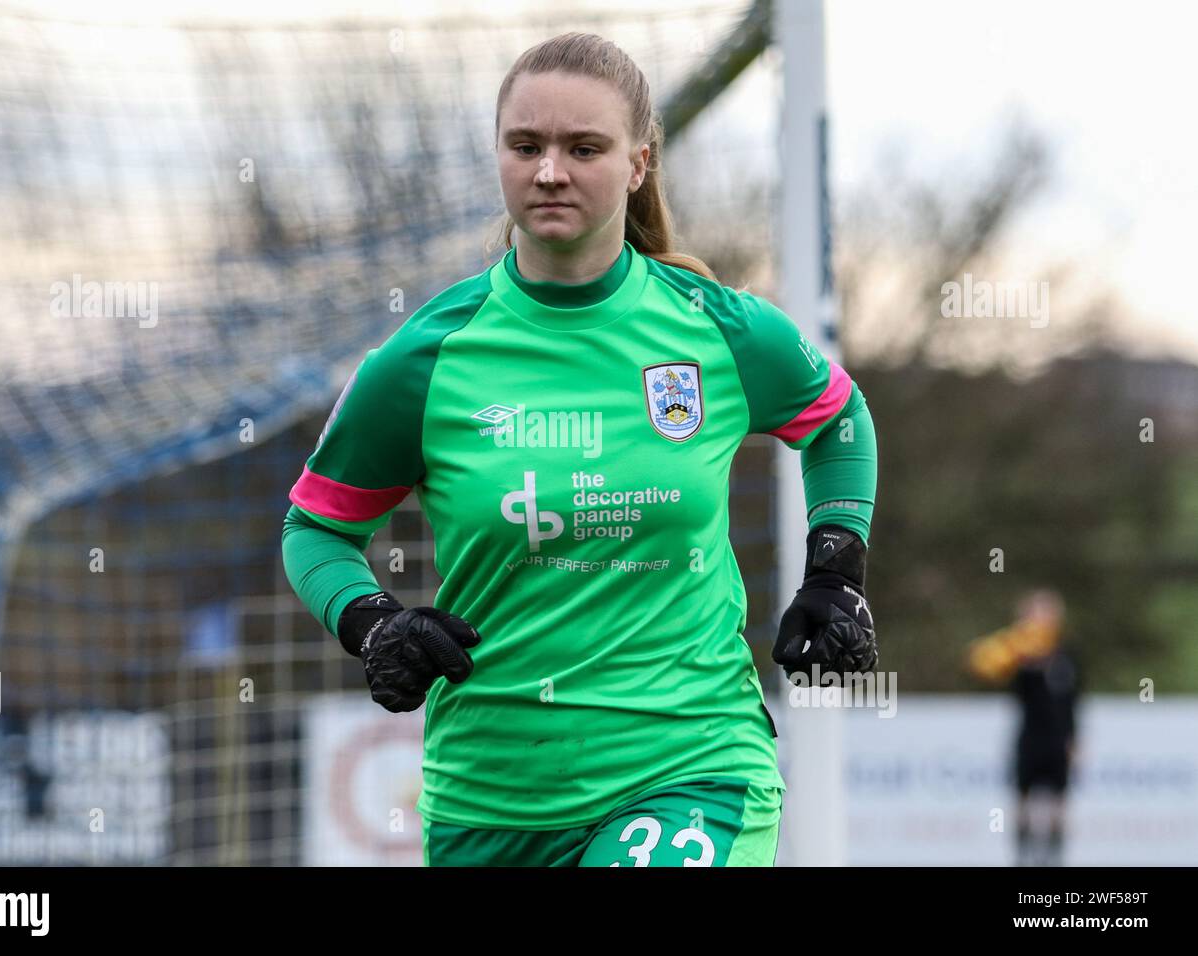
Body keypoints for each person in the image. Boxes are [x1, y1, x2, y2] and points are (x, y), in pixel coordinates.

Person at [281, 32, 878, 867]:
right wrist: (373, 624)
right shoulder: (427, 355)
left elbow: (839, 419)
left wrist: (835, 569)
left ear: (638, 164)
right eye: (526, 146)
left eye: (583, 148)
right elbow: (314, 528)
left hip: (688, 766)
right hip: (487, 798)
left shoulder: (718, 328)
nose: (550, 171)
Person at [967, 588, 1080, 866]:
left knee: (1058, 806)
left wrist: (1074, 740)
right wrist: (1021, 653)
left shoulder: (1067, 658)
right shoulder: (1016, 655)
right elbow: (985, 667)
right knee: (1023, 803)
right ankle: (1022, 858)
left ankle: (1054, 860)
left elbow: (1073, 703)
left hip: (1058, 741)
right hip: (1030, 739)